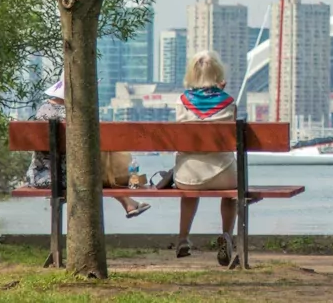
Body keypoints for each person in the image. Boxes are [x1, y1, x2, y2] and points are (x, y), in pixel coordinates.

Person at [25, 78, 151, 219]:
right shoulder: (77, 115)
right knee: (97, 174)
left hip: (39, 177)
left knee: (95, 172)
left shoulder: (42, 110)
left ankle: (129, 203)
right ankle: (129, 201)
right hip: (71, 178)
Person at [174, 50, 239, 266]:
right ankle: (227, 236)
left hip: (187, 175)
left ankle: (183, 238)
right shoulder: (229, 102)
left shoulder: (181, 101)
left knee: (189, 190)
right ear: (218, 73)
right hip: (224, 175)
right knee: (231, 195)